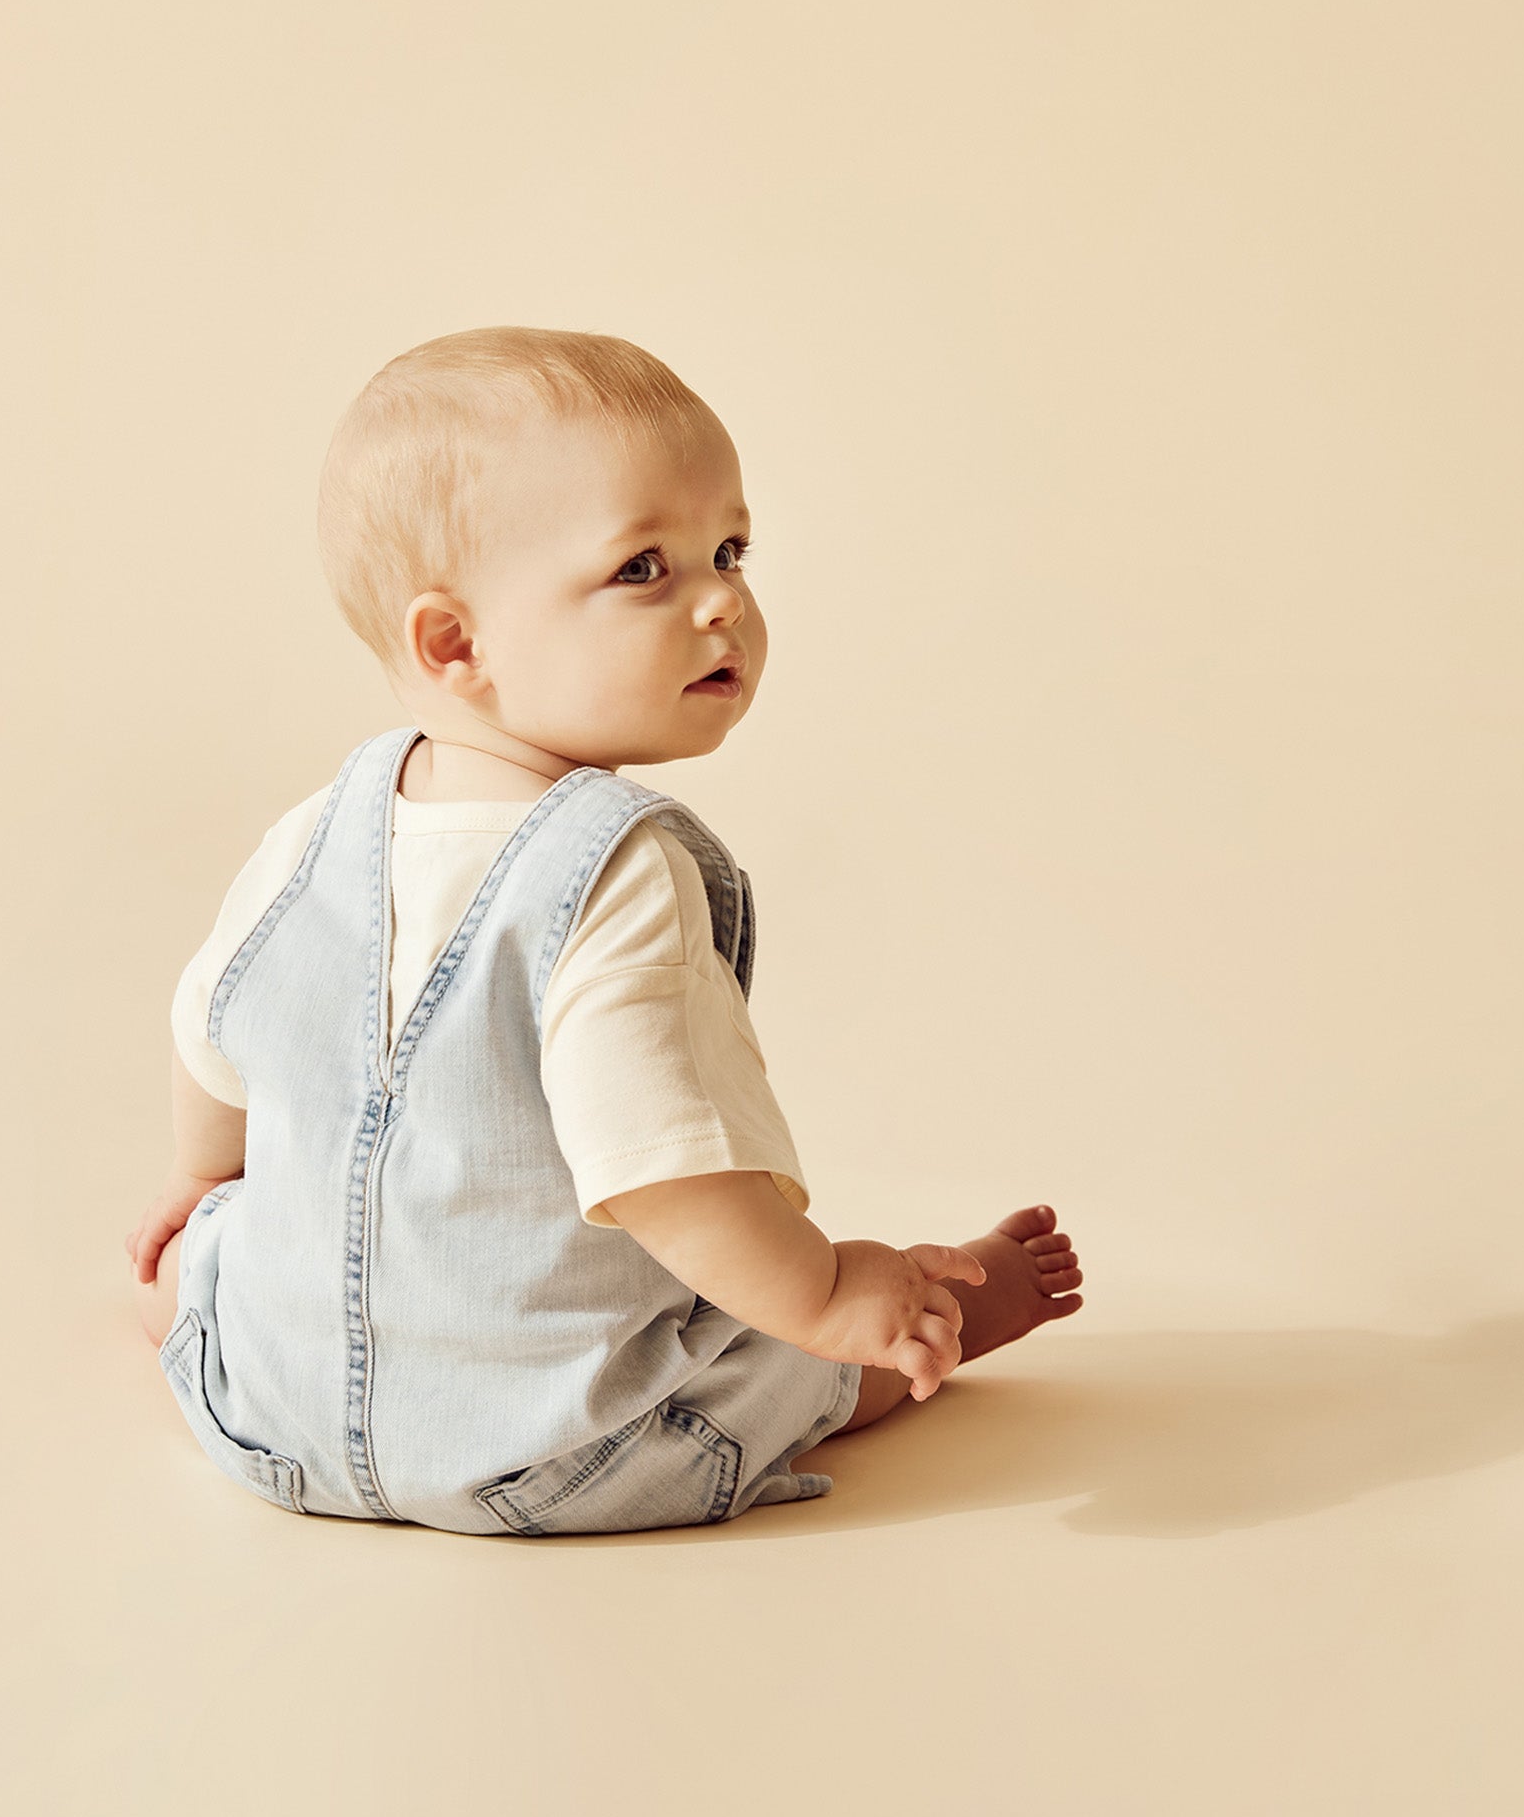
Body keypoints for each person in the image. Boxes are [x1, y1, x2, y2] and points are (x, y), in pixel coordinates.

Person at [125, 325, 1083, 1535]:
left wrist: (199, 1180)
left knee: (210, 1253)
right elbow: (663, 1167)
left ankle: (219, 1316)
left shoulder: (316, 831)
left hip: (267, 1420)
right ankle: (949, 1311)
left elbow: (212, 1026)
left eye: (728, 551)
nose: (721, 599)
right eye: (643, 568)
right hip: (550, 1452)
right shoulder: (613, 870)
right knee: (786, 1349)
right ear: (455, 643)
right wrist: (831, 1290)